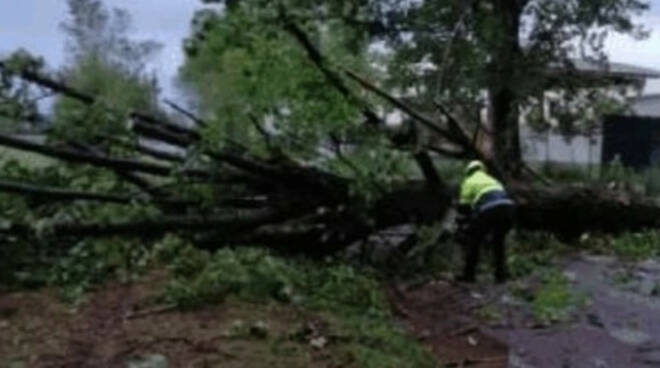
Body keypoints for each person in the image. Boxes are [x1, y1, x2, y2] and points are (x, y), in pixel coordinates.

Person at [456, 160, 515, 283]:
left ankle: (469, 275)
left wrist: (463, 225)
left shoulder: (469, 181)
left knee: (474, 241)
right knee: (498, 242)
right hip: (508, 209)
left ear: (468, 172)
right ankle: (501, 276)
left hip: (489, 209)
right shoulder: (492, 180)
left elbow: (463, 207)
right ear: (482, 169)